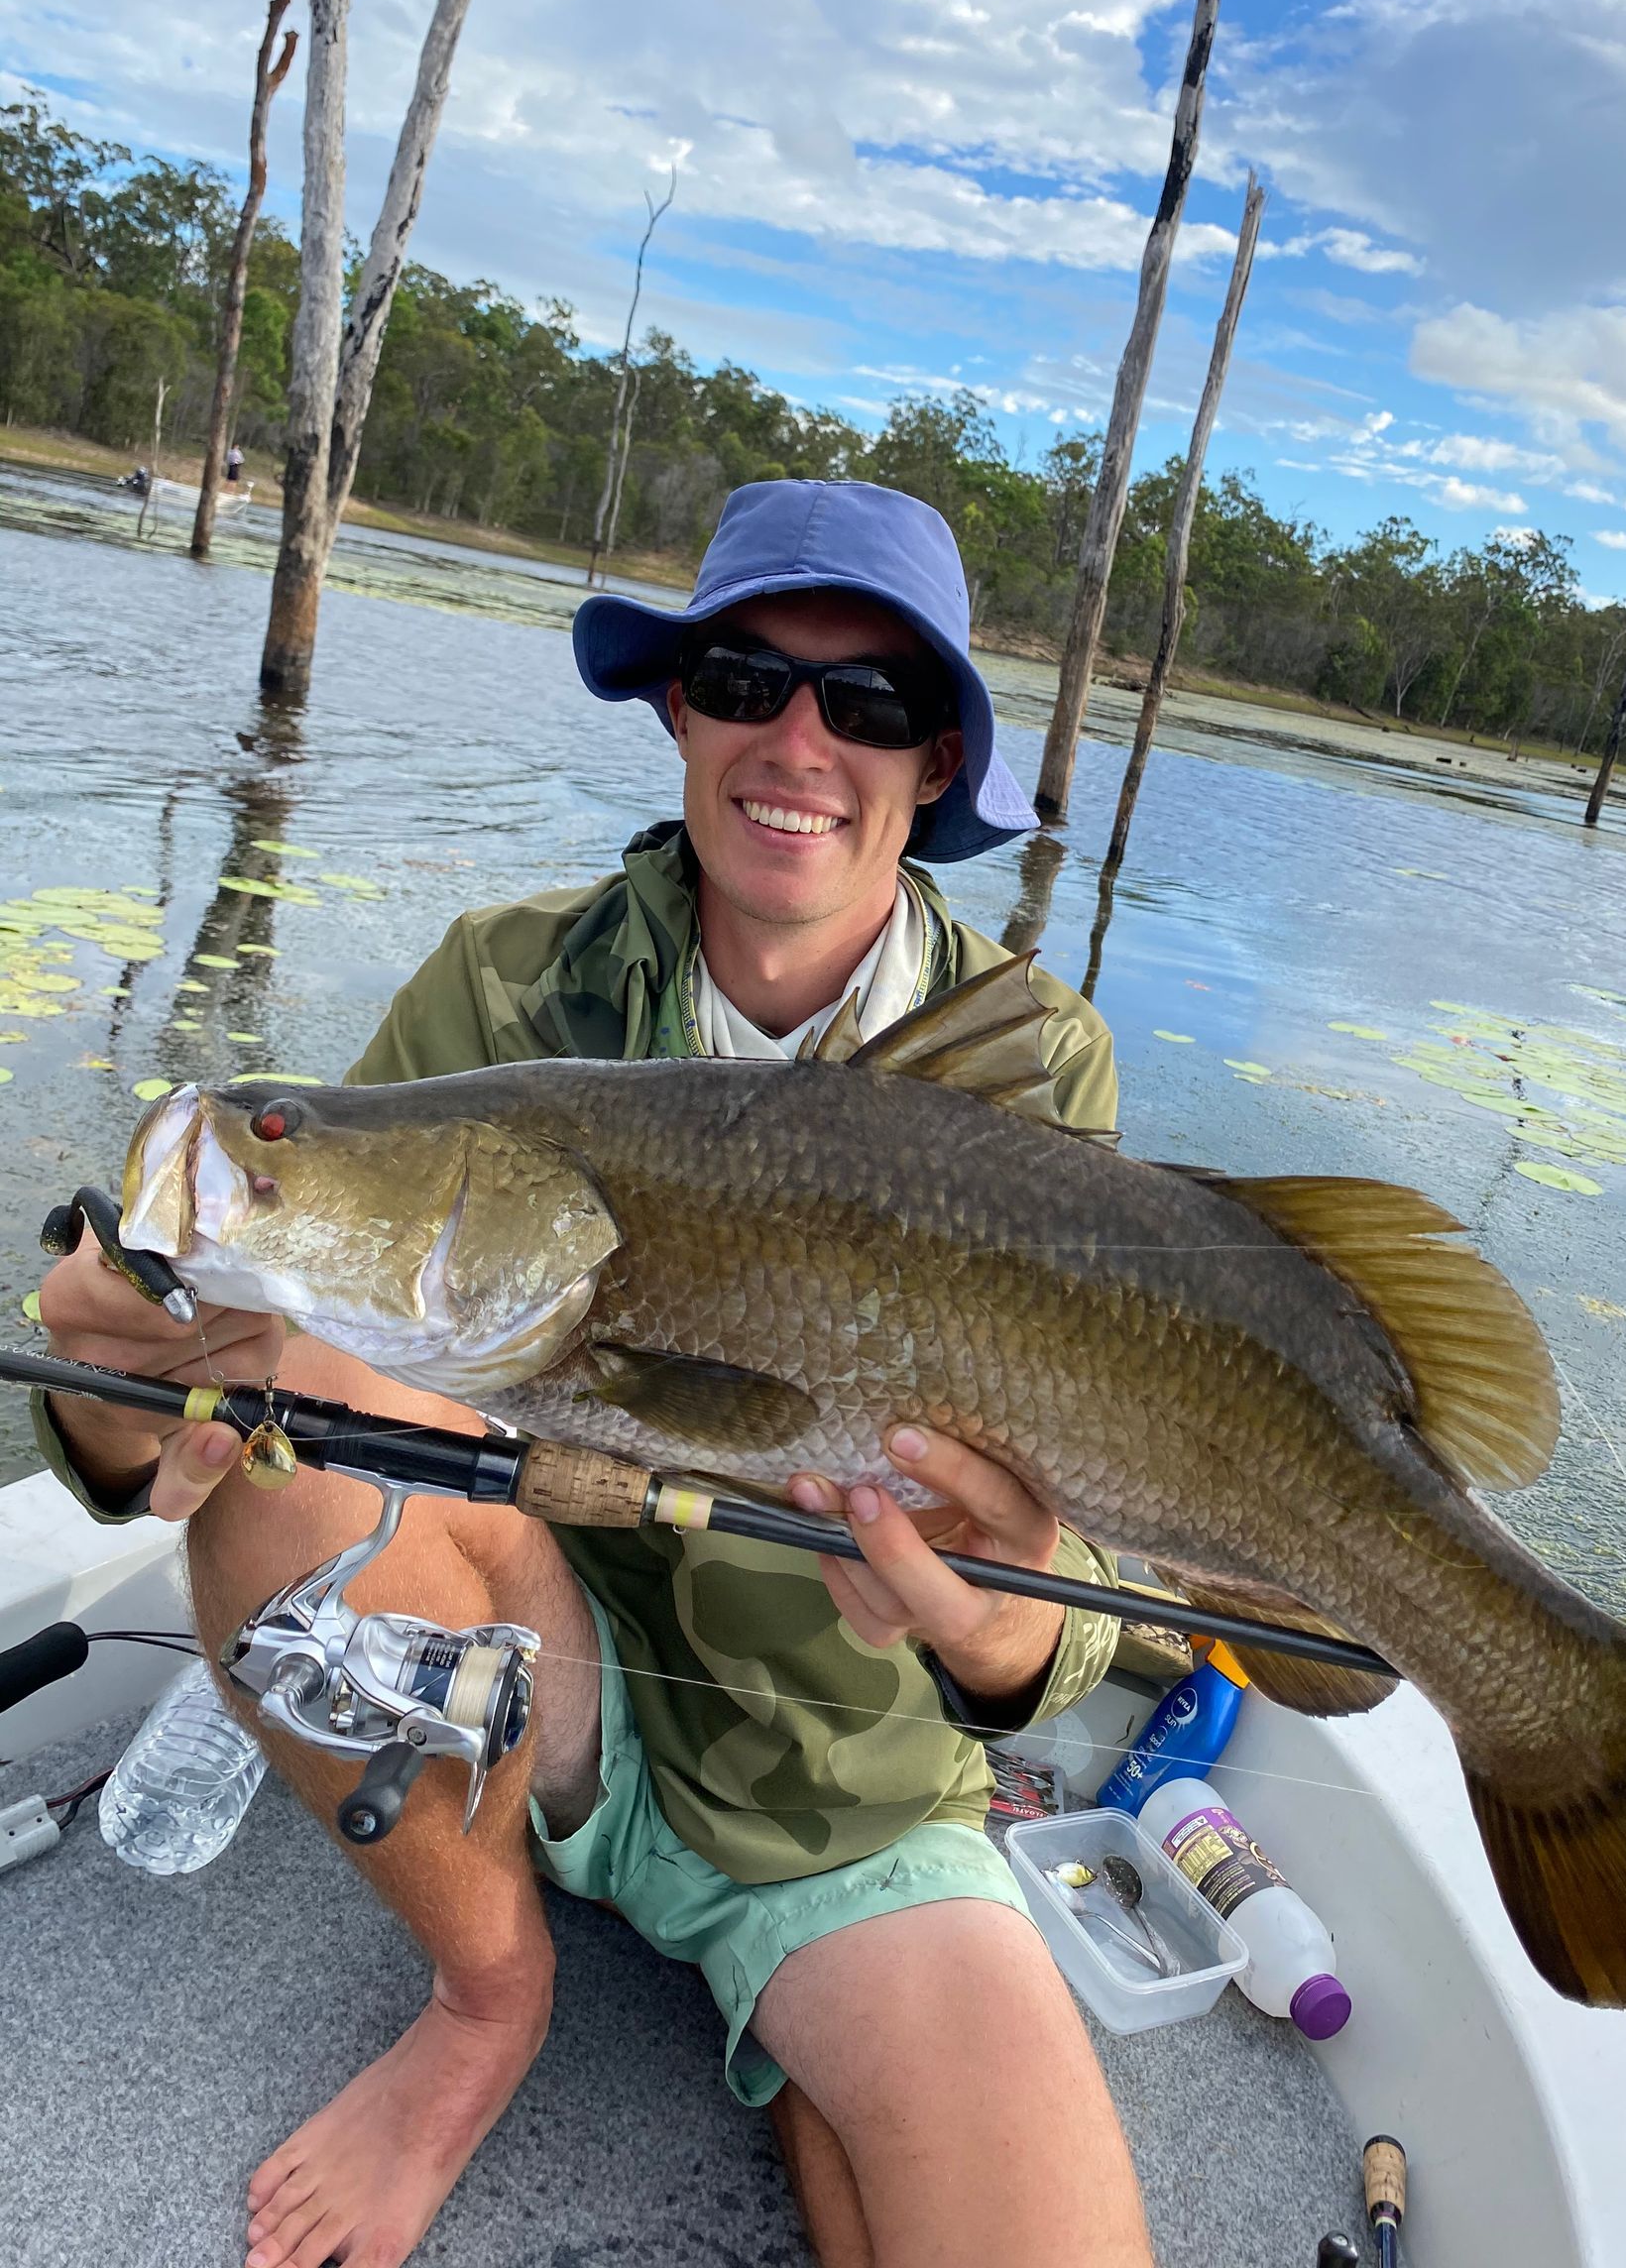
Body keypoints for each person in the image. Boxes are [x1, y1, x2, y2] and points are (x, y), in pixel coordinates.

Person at [33, 480, 1153, 2268]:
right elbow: (248, 1364)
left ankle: (797, 2019)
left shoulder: (1025, 1073)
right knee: (282, 1443)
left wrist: (1003, 1635)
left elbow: (1096, 1556)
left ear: (934, 763)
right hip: (530, 1701)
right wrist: (116, 1374)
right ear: (675, 706)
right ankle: (486, 2002)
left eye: (865, 704)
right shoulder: (503, 987)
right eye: (744, 678)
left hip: (840, 1804)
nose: (799, 742)